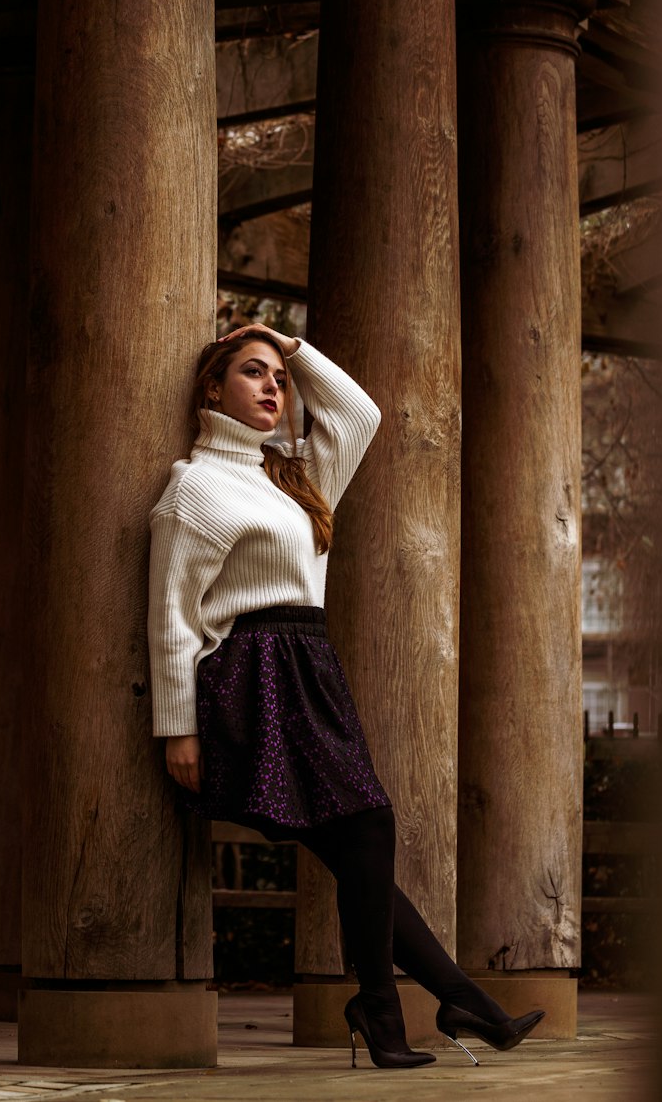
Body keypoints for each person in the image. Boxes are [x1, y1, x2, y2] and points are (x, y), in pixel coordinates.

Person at [146, 324, 545, 1069]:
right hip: (254, 678)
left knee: (360, 846)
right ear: (211, 390)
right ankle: (421, 1006)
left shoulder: (291, 475)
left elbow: (362, 416)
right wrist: (178, 727)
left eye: (279, 380)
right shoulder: (193, 487)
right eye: (253, 373)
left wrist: (291, 344)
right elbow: (170, 610)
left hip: (309, 670)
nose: (272, 387)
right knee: (368, 828)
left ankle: (421, 1005)